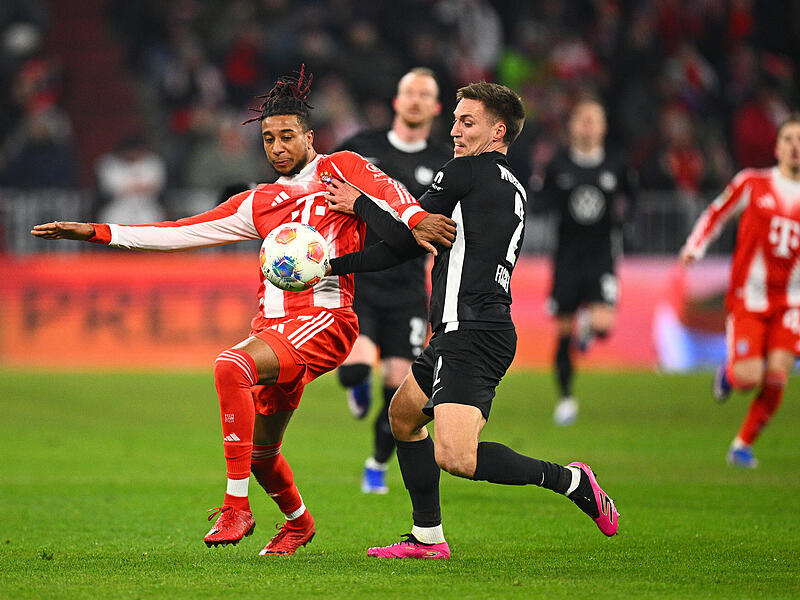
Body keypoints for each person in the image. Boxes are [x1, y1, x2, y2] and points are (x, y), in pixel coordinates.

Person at [31, 66, 456, 556]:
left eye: (288, 136)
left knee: (230, 366)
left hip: (325, 321)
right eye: (269, 139)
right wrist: (99, 232)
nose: (277, 147)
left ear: (309, 136)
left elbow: (394, 197)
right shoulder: (257, 202)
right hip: (274, 328)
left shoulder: (342, 167)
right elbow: (180, 232)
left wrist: (420, 219)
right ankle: (298, 523)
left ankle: (237, 507)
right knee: (260, 453)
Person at [324, 81, 619, 559]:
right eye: (456, 120)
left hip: (473, 332)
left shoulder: (465, 174)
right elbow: (413, 238)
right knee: (402, 417)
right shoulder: (507, 183)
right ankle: (426, 538)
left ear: (497, 130)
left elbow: (403, 238)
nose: (455, 131)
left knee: (456, 457)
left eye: (467, 122)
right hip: (463, 329)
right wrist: (332, 268)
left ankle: (570, 480)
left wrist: (357, 206)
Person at [335, 67, 453, 495]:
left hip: (407, 291)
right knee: (355, 370)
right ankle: (355, 387)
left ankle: (376, 463)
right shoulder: (361, 148)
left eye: (425, 94)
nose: (416, 100)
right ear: (396, 101)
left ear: (436, 107)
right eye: (410, 92)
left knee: (401, 393)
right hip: (361, 278)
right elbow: (320, 185)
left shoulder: (444, 162)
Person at [679, 113, 800, 469]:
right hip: (750, 296)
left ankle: (742, 445)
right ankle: (729, 374)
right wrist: (694, 246)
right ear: (777, 147)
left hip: (791, 302)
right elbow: (717, 213)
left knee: (778, 375)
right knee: (749, 378)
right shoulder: (753, 183)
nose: (796, 147)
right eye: (789, 139)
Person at [533, 98, 636, 426]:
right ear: (572, 126)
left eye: (594, 119)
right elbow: (542, 200)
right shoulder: (559, 163)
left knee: (604, 325)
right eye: (582, 120)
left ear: (604, 127)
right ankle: (565, 398)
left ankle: (590, 328)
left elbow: (633, 197)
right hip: (566, 257)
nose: (588, 125)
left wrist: (624, 222)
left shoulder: (617, 163)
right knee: (564, 331)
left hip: (602, 255)